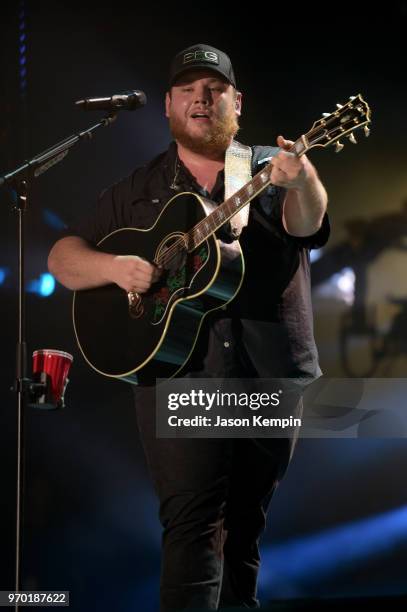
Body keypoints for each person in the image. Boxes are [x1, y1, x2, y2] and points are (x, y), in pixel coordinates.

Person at [48, 44, 329, 611]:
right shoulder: (138, 187)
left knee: (246, 527)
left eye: (215, 88)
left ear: (237, 102)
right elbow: (62, 256)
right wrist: (112, 266)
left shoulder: (269, 168)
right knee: (193, 526)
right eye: (188, 89)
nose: (202, 98)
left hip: (267, 369)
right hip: (178, 372)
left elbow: (309, 224)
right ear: (169, 107)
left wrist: (301, 182)